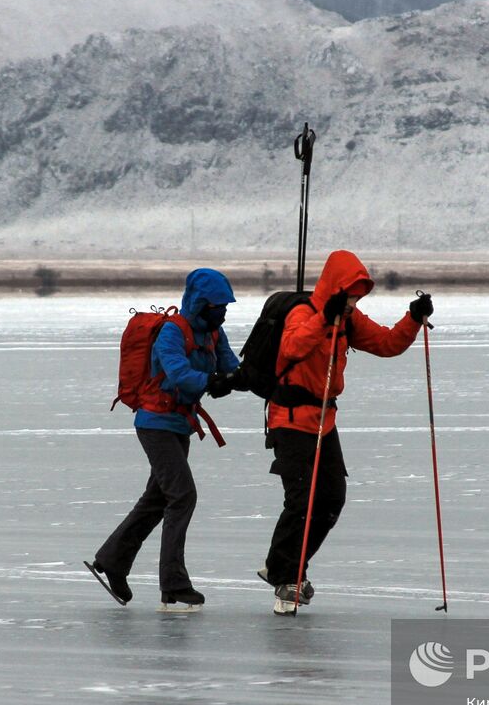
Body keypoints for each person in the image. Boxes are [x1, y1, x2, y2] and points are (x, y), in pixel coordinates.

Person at [257, 250, 433, 614]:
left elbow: (386, 344)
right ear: (336, 288)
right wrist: (325, 316)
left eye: (358, 296)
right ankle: (286, 576)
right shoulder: (303, 314)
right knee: (301, 501)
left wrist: (413, 319)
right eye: (351, 295)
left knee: (332, 498)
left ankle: (283, 567)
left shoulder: (349, 318)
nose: (355, 302)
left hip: (324, 421)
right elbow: (292, 347)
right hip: (290, 419)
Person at [87, 268, 245, 610]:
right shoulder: (173, 333)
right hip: (155, 423)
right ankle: (173, 583)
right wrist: (210, 382)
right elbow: (178, 373)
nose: (223, 312)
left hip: (179, 425)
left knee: (157, 499)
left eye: (225, 306)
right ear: (201, 304)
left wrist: (247, 377)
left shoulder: (215, 334)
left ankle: (112, 558)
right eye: (217, 306)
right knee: (182, 495)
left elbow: (231, 367)